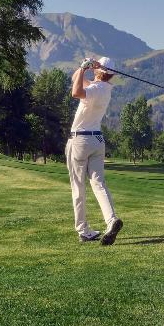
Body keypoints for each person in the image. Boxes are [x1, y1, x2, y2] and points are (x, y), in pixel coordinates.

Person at [66, 56, 123, 245]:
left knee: (78, 187)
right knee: (99, 184)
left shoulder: (95, 89)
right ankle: (111, 220)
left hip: (80, 140)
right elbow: (77, 78)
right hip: (97, 140)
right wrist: (84, 67)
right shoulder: (105, 89)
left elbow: (75, 92)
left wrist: (86, 68)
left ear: (100, 72)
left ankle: (83, 230)